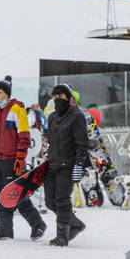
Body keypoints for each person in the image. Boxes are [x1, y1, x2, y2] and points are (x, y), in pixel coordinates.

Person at [0, 77, 48, 239]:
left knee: (16, 195)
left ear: (7, 94)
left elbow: (24, 136)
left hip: (11, 160)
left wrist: (20, 158)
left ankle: (37, 224)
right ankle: (4, 230)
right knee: (3, 195)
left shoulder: (16, 109)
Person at [43, 84, 88, 247]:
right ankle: (75, 224)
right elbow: (50, 141)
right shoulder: (52, 117)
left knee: (62, 200)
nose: (57, 99)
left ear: (68, 98)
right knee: (50, 202)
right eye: (54, 96)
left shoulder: (76, 116)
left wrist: (79, 163)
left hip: (68, 165)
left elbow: (82, 143)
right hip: (52, 164)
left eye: (60, 96)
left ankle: (62, 236)